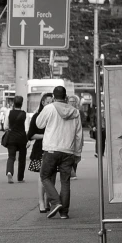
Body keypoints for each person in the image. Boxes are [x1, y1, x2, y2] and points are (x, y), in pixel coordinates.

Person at [36, 86, 84, 219]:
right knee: (65, 181)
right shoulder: (75, 112)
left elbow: (39, 124)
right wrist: (78, 153)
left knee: (44, 176)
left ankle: (56, 201)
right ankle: (64, 213)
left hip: (51, 149)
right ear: (66, 97)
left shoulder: (49, 108)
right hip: (68, 151)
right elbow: (79, 135)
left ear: (53, 96)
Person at [28, 93, 52, 212]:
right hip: (40, 149)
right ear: (43, 103)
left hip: (53, 148)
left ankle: (48, 200)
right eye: (48, 102)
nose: (50, 104)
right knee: (42, 176)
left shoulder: (55, 115)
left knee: (51, 175)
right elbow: (31, 135)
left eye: (52, 102)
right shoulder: (37, 116)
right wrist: (46, 136)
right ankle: (41, 201)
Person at [4, 96, 28, 183]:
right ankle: (20, 177)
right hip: (22, 138)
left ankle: (9, 172)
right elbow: (27, 129)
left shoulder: (9, 113)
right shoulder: (25, 114)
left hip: (12, 138)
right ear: (22, 104)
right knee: (22, 158)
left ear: (13, 103)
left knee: (11, 157)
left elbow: (5, 126)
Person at [67, 95, 83, 179]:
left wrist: (80, 140)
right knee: (69, 155)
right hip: (68, 137)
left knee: (76, 155)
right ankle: (71, 172)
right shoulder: (65, 111)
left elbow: (79, 127)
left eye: (74, 101)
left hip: (76, 137)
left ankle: (73, 171)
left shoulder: (77, 112)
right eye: (70, 101)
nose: (72, 103)